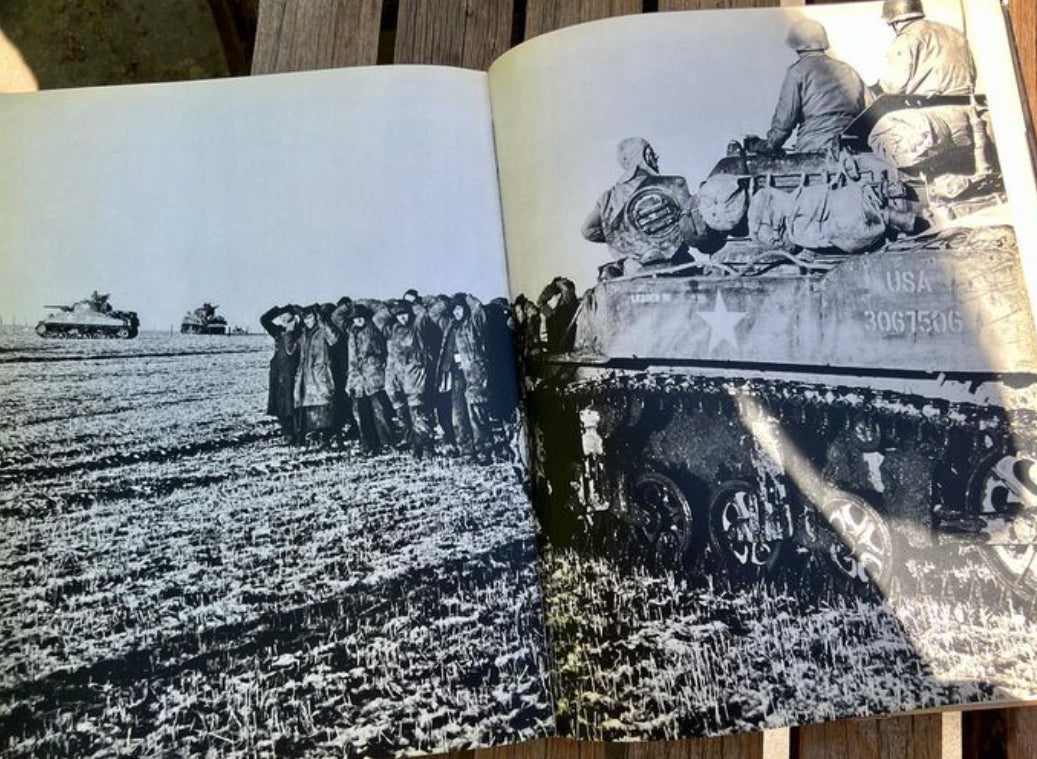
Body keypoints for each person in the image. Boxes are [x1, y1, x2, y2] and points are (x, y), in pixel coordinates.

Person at [580, 137, 712, 267]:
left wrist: (620, 237)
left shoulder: (607, 198)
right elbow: (696, 232)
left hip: (633, 270)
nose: (656, 158)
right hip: (678, 265)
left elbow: (587, 231)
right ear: (647, 155)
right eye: (654, 155)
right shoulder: (674, 184)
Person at [764, 19, 866, 154]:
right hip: (854, 147)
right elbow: (870, 108)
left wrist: (770, 145)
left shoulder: (797, 71)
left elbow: (785, 119)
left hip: (814, 147)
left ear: (796, 46)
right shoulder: (847, 70)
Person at [877, 0, 975, 97]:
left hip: (928, 108)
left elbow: (893, 88)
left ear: (894, 22)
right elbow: (972, 73)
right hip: (968, 106)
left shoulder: (906, 38)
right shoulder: (955, 33)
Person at [384, 299, 436, 459]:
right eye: (399, 315)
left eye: (405, 314)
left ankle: (427, 447)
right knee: (404, 417)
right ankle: (414, 447)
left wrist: (414, 303)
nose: (403, 318)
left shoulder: (417, 327)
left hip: (415, 378)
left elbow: (423, 313)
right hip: (397, 380)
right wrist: (389, 307)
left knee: (420, 414)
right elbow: (391, 358)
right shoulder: (393, 330)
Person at [447, 293, 494, 465]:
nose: (456, 312)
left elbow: (479, 309)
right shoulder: (453, 328)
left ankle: (484, 452)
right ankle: (467, 452)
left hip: (475, 373)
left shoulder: (473, 324)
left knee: (477, 414)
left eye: (459, 308)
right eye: (453, 310)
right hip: (459, 375)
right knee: (458, 416)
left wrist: (467, 297)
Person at [346, 304, 396, 456]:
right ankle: (369, 445)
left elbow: (386, 311)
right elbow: (352, 360)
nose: (358, 321)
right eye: (355, 319)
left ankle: (388, 443)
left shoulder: (374, 328)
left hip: (374, 376)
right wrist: (351, 381)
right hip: (359, 380)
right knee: (364, 414)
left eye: (361, 317)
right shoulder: (352, 334)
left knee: (381, 412)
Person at [293, 304, 341, 447]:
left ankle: (330, 437)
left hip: (321, 375)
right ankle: (316, 436)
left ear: (316, 317)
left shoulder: (322, 331)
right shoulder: (303, 335)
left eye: (310, 318)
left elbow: (334, 340)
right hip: (306, 377)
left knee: (325, 407)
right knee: (310, 409)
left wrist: (323, 323)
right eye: (305, 319)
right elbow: (293, 350)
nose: (307, 321)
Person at [260, 304, 301, 444]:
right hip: (278, 372)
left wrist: (297, 310)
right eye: (281, 315)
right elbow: (264, 320)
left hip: (293, 371)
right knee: (280, 404)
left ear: (293, 316)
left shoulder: (300, 331)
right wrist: (277, 310)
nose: (282, 317)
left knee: (292, 403)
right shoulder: (278, 331)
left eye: (286, 314)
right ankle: (287, 432)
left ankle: (296, 433)